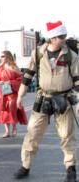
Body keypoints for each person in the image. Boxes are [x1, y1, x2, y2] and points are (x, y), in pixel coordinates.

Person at [14, 21, 79, 182]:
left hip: (64, 99)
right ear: (52, 38)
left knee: (67, 135)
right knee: (32, 134)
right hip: (43, 98)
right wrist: (20, 96)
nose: (64, 39)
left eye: (64, 36)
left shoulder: (71, 55)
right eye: (61, 36)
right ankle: (25, 166)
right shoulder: (38, 54)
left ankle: (70, 169)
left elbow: (78, 81)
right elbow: (27, 77)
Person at [0, 50, 27, 138]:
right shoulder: (0, 68)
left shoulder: (14, 67)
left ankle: (14, 128)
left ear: (8, 57)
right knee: (4, 110)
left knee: (12, 109)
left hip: (13, 92)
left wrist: (11, 82)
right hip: (3, 91)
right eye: (0, 56)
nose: (1, 58)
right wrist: (0, 82)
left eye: (3, 56)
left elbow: (21, 79)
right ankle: (6, 131)